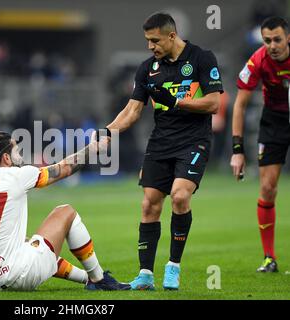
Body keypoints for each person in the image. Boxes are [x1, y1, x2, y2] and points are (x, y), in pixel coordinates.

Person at [94, 13, 223, 290]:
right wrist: (107, 131)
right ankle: (145, 275)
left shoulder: (202, 58)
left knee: (179, 196)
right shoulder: (147, 69)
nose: (151, 46)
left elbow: (213, 103)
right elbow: (132, 111)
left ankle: (173, 267)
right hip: (161, 142)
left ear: (172, 36)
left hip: (194, 141)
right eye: (147, 41)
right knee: (149, 204)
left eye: (155, 40)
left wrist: (176, 102)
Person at [0, 131, 129, 291]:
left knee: (32, 244)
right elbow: (65, 168)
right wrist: (92, 150)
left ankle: (86, 278)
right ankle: (99, 279)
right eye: (17, 151)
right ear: (6, 158)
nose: (20, 156)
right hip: (19, 275)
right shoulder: (17, 175)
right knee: (65, 212)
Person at [230, 16, 290, 273]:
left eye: (277, 39)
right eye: (267, 41)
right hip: (274, 121)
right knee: (267, 188)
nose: (273, 45)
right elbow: (240, 105)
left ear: (288, 37)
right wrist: (237, 151)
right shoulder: (257, 61)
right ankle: (269, 258)